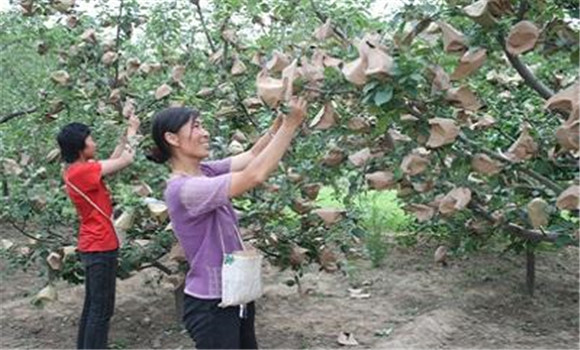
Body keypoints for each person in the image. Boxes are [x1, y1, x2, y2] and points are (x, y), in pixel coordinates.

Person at [148, 97, 308, 349]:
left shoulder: (206, 171)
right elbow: (254, 175)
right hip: (212, 306)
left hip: (235, 293)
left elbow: (253, 155)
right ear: (172, 138)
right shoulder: (185, 188)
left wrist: (278, 123)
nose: (205, 132)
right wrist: (291, 125)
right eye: (196, 127)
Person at [57, 113, 140, 349]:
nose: (94, 142)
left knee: (93, 306)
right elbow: (127, 160)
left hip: (94, 244)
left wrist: (124, 136)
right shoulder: (81, 171)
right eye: (90, 139)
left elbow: (114, 161)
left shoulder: (79, 169)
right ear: (81, 146)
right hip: (100, 245)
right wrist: (134, 130)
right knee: (101, 310)